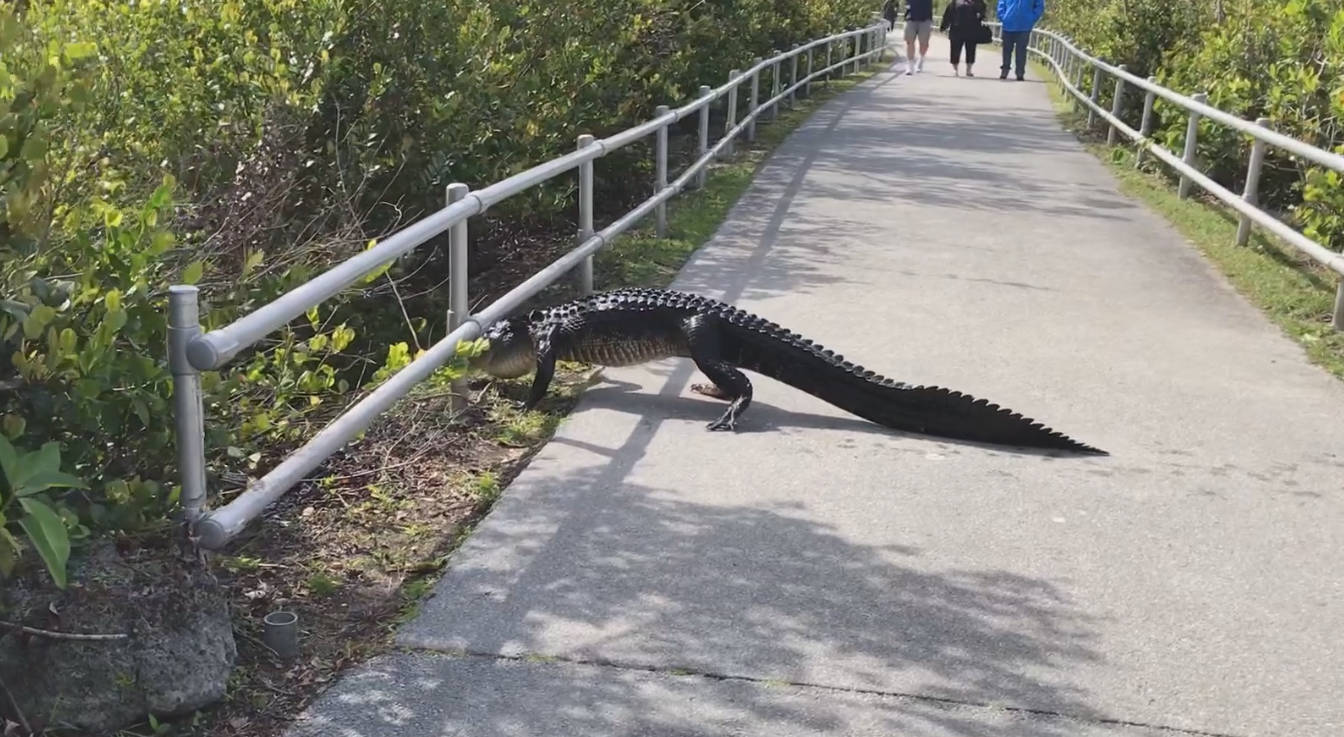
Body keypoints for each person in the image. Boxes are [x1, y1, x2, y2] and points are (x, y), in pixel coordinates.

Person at [997, 0, 1044, 81]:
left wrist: (1032, 18)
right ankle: (1005, 70)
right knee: (1006, 50)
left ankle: (1020, 73)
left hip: (1024, 26)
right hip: (1008, 25)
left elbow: (1039, 6)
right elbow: (1001, 5)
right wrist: (1003, 17)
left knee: (1021, 51)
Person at [939, 0, 987, 77]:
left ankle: (969, 70)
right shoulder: (955, 2)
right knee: (955, 50)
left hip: (971, 29)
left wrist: (981, 15)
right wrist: (943, 26)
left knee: (971, 50)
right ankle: (955, 70)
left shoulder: (977, 2)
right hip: (956, 29)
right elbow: (948, 15)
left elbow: (983, 13)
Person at [903, 0, 934, 75]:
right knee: (909, 41)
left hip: (925, 19)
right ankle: (910, 65)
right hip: (910, 18)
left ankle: (920, 60)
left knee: (924, 43)